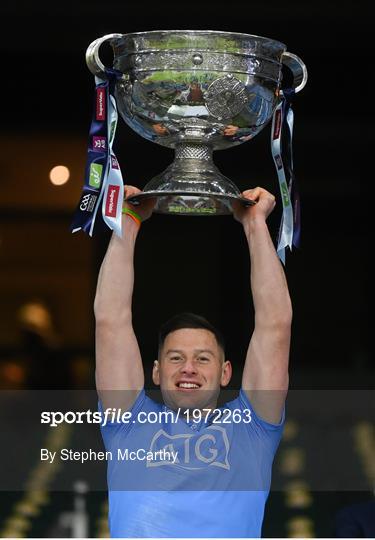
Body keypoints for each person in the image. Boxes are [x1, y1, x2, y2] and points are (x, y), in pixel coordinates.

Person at [94, 185, 292, 538]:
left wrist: (255, 225)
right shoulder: (127, 423)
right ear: (155, 371)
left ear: (225, 371)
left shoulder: (252, 429)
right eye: (175, 358)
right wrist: (129, 223)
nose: (188, 368)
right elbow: (111, 321)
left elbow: (275, 327)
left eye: (203, 359)